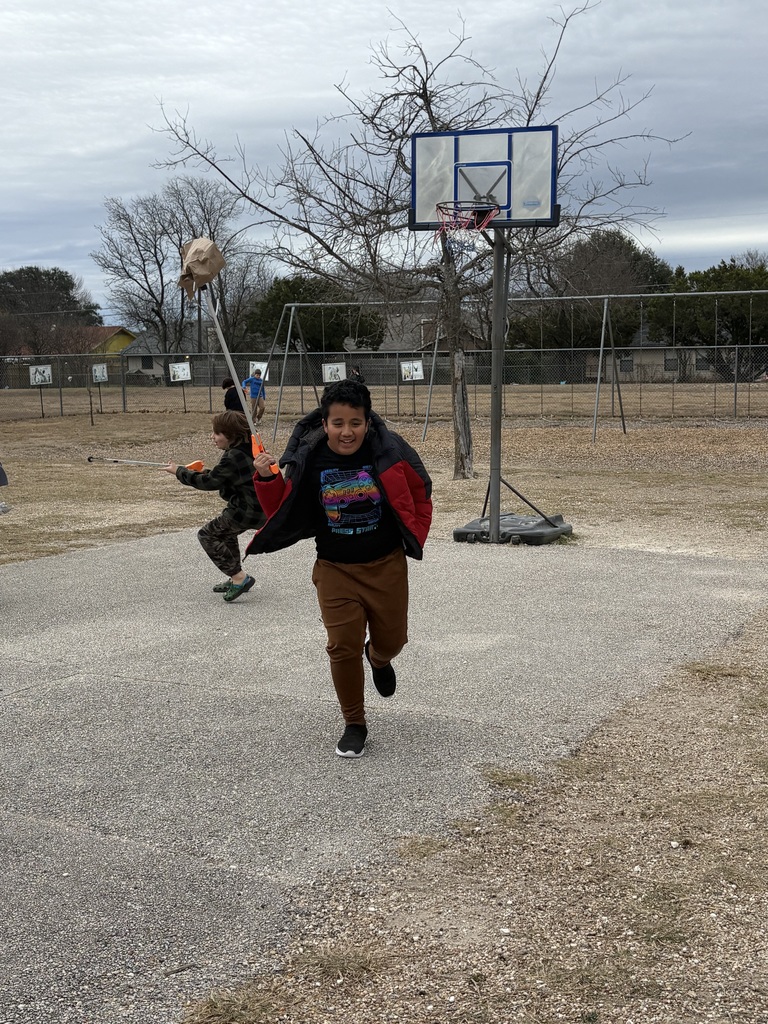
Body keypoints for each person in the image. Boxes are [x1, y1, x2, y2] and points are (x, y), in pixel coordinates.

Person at [246, 379, 432, 758]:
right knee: (341, 646)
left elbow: (419, 490)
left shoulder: (388, 450)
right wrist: (267, 478)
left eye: (356, 423)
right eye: (338, 423)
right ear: (324, 423)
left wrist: (416, 534)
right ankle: (354, 722)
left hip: (386, 566)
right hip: (334, 568)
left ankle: (377, 658)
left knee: (393, 641)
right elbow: (281, 507)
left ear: (367, 422)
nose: (347, 432)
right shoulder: (309, 456)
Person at [163, 411, 265, 602]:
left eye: (217, 433)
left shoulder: (233, 456)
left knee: (207, 534)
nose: (213, 437)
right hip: (259, 507)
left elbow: (210, 482)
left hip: (247, 510)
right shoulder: (248, 449)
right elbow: (224, 476)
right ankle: (235, 576)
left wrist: (179, 472)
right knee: (225, 533)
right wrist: (200, 472)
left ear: (231, 435)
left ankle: (239, 578)